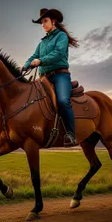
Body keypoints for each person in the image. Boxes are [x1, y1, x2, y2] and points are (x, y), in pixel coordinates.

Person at [22, 8, 79, 147]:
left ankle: (71, 134)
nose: (43, 25)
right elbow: (33, 56)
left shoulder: (61, 37)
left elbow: (58, 53)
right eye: (41, 22)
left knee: (62, 101)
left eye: (45, 21)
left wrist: (41, 61)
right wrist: (25, 66)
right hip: (44, 78)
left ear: (53, 21)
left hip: (60, 75)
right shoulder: (42, 43)